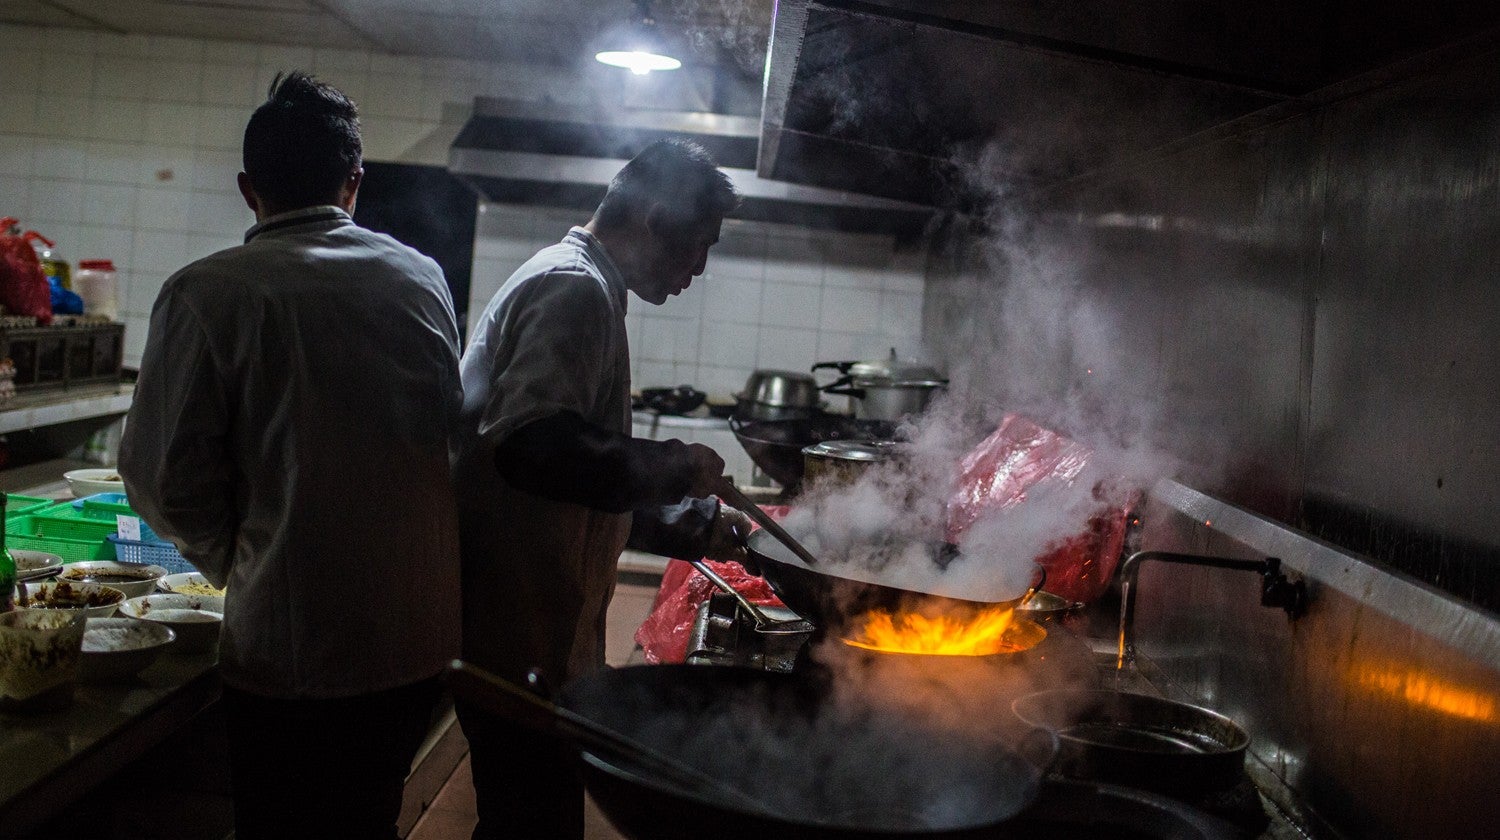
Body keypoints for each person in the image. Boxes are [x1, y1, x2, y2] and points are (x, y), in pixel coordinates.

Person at [119, 72, 462, 840]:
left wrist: (238, 559)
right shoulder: (423, 280)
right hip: (414, 642)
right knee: (366, 820)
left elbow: (159, 478)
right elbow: (443, 433)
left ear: (249, 189)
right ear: (355, 183)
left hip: (295, 654)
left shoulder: (207, 293)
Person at [452, 138, 751, 839]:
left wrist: (688, 523)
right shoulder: (574, 288)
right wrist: (673, 463)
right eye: (698, 245)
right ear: (652, 217)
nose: (699, 268)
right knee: (533, 826)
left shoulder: (587, 287)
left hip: (532, 630)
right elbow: (528, 448)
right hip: (514, 635)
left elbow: (572, 477)